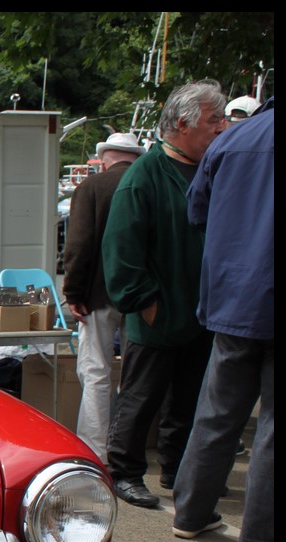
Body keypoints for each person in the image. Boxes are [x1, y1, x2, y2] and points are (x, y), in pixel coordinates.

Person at [101, 79, 228, 508]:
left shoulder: (209, 167)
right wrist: (144, 302)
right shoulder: (145, 176)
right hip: (159, 310)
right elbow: (122, 248)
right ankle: (124, 471)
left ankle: (178, 469)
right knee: (142, 396)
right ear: (181, 124)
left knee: (192, 397)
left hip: (202, 309)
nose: (222, 127)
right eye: (213, 120)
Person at [173, 97, 273, 542]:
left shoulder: (233, 137)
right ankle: (260, 538)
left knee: (217, 410)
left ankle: (190, 513)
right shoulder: (235, 139)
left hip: (234, 294)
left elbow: (198, 212)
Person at [61, 132, 145, 462]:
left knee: (95, 371)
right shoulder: (147, 185)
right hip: (142, 296)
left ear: (105, 158)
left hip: (98, 293)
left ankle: (95, 449)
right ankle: (127, 447)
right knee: (136, 375)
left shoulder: (91, 188)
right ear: (134, 158)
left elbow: (79, 246)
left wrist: (73, 292)